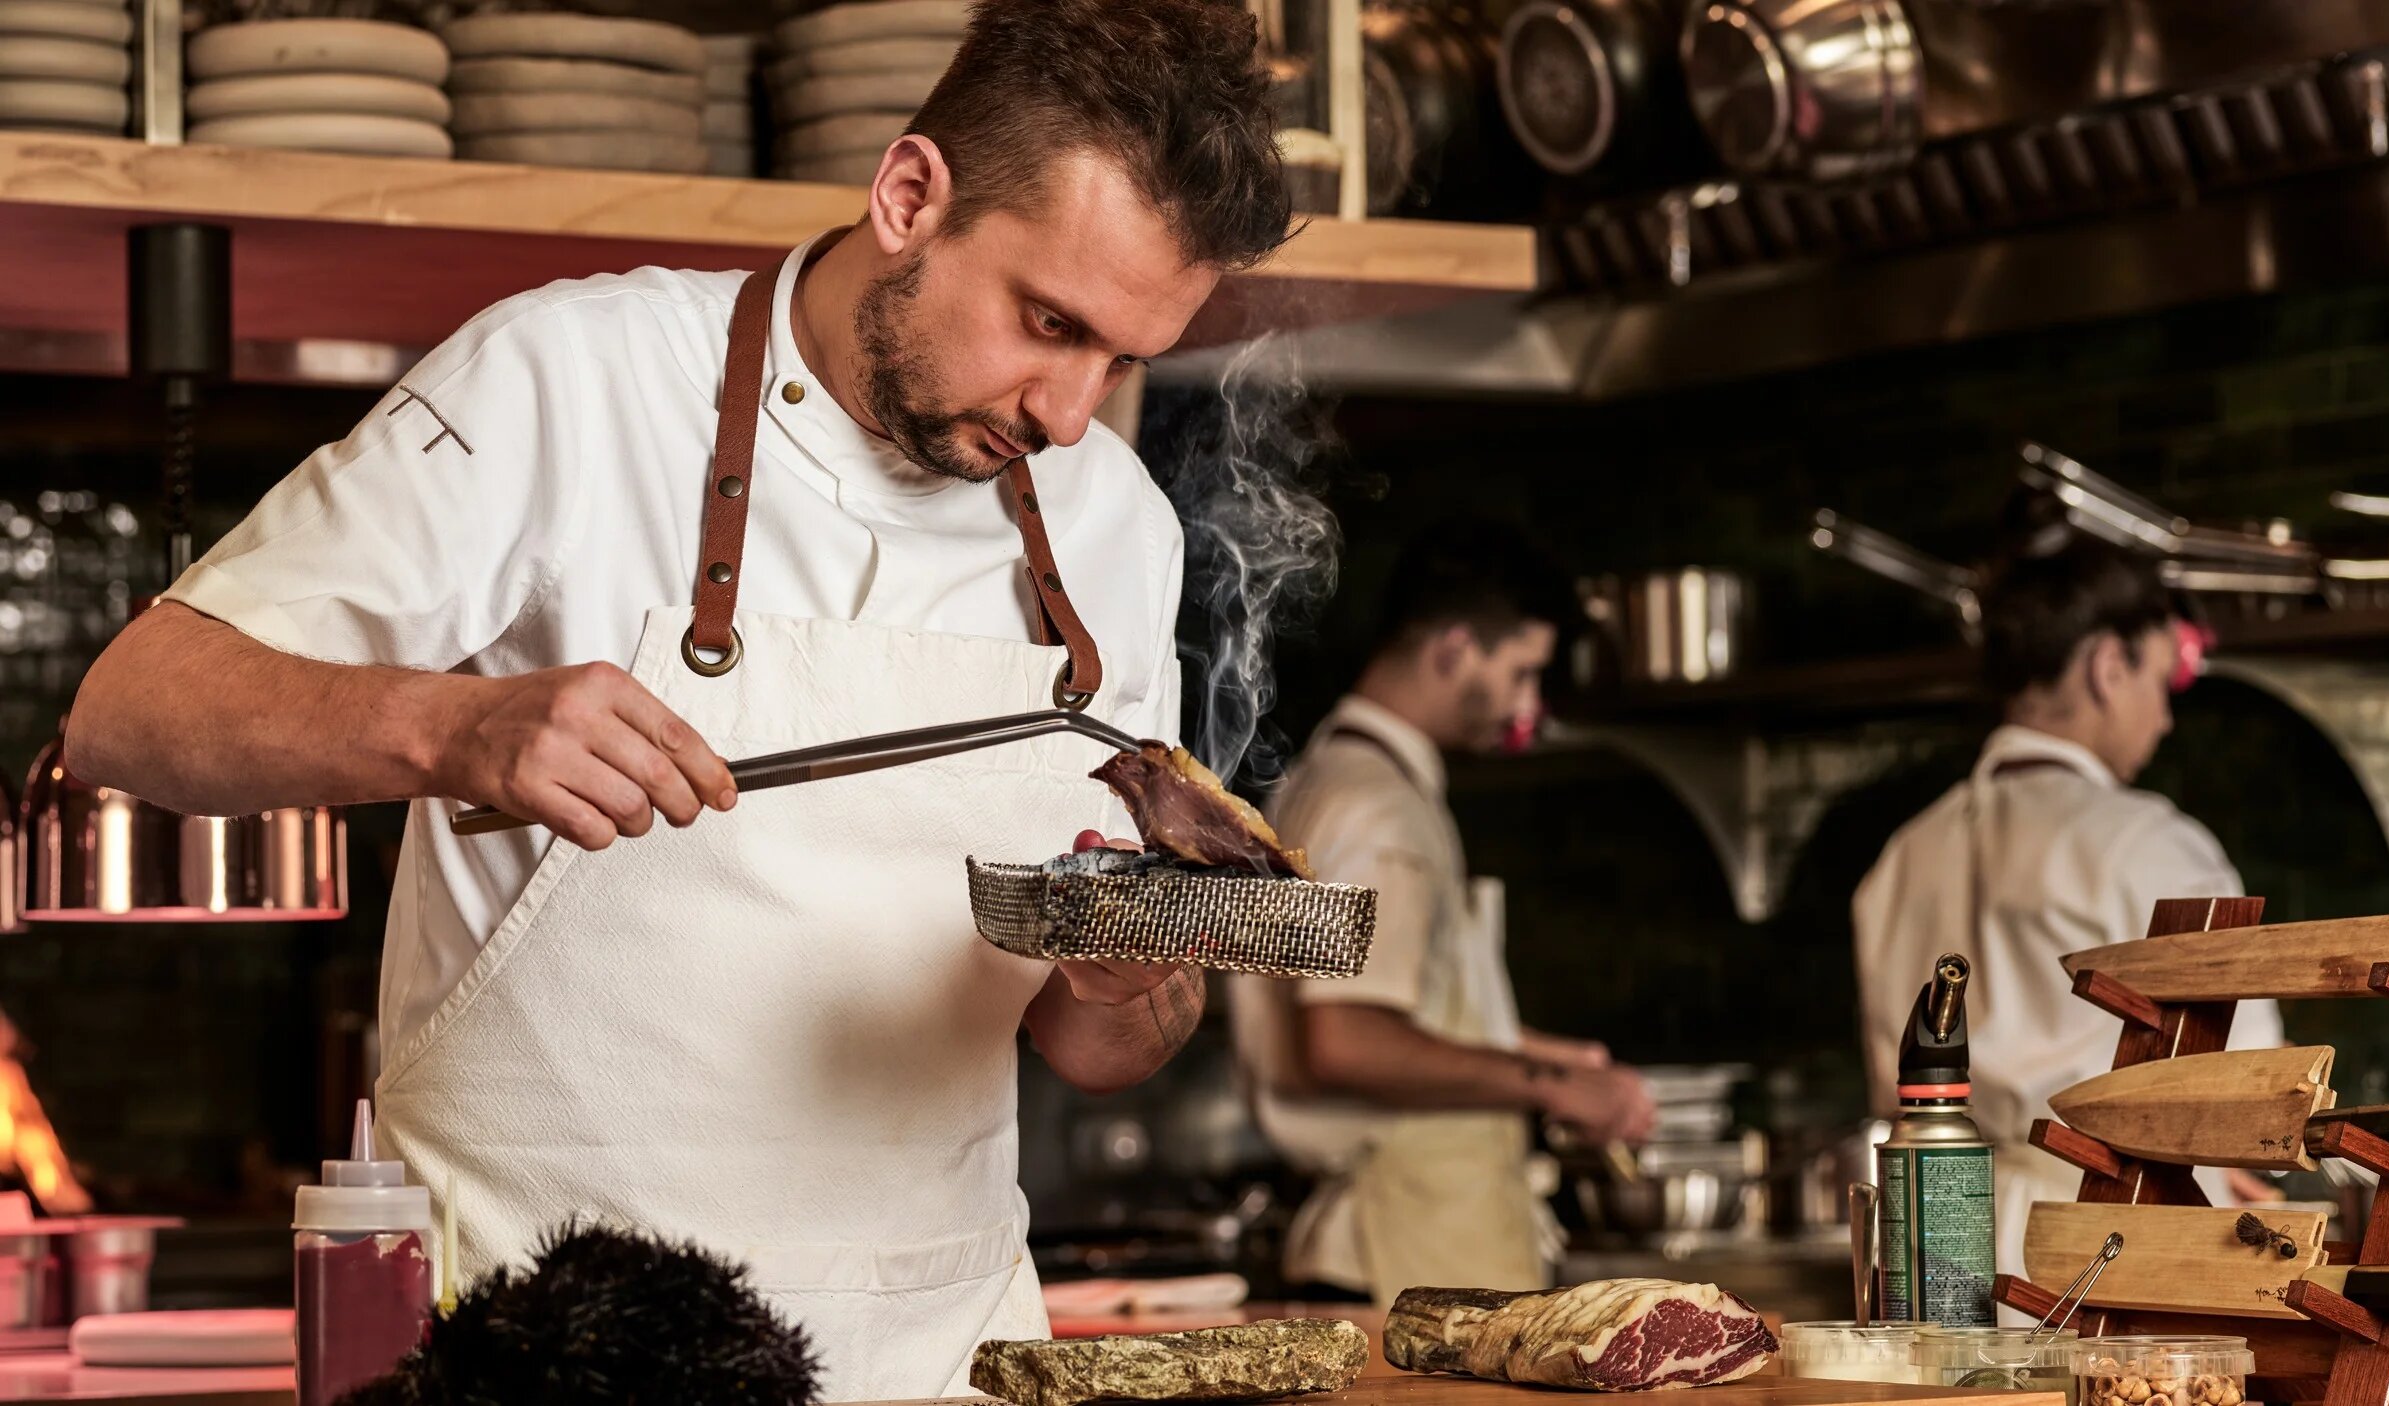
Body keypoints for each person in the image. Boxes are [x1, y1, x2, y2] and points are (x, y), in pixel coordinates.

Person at [62, 2, 1292, 1398]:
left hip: (938, 1355)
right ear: (908, 196)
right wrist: (454, 726)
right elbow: (129, 706)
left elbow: (1097, 1044)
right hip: (540, 1350)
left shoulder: (1117, 525)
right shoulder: (570, 379)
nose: (1072, 411)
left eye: (1121, 359)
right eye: (1049, 322)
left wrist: (1127, 981)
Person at [1230, 523, 1656, 1305]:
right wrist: (1548, 1085)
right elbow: (1343, 1037)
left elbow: (1402, 1008)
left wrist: (1550, 1059)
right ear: (1455, 648)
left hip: (1413, 1261)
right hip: (1404, 1269)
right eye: (1523, 672)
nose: (1527, 707)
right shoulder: (1376, 807)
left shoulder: (1333, 778)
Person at [1852, 536, 2284, 1285]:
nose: (2164, 719)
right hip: (2108, 1250)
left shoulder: (1900, 858)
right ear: (2107, 667)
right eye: (2159, 677)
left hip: (1933, 1250)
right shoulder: (2149, 844)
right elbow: (2256, 1096)